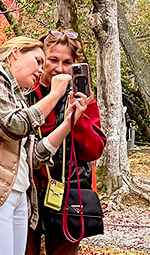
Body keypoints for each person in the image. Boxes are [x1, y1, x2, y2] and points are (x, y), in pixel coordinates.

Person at [0, 37, 85, 255]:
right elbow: (13, 126)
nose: (41, 70)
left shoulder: (15, 97)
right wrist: (56, 95)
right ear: (15, 54)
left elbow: (34, 157)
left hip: (16, 191)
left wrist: (69, 122)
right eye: (38, 61)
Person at [26, 29, 107, 255]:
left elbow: (94, 150)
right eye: (53, 60)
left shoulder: (82, 98)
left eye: (66, 62)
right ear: (41, 59)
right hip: (27, 190)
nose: (59, 68)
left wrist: (78, 118)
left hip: (69, 190)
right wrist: (52, 97)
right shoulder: (25, 93)